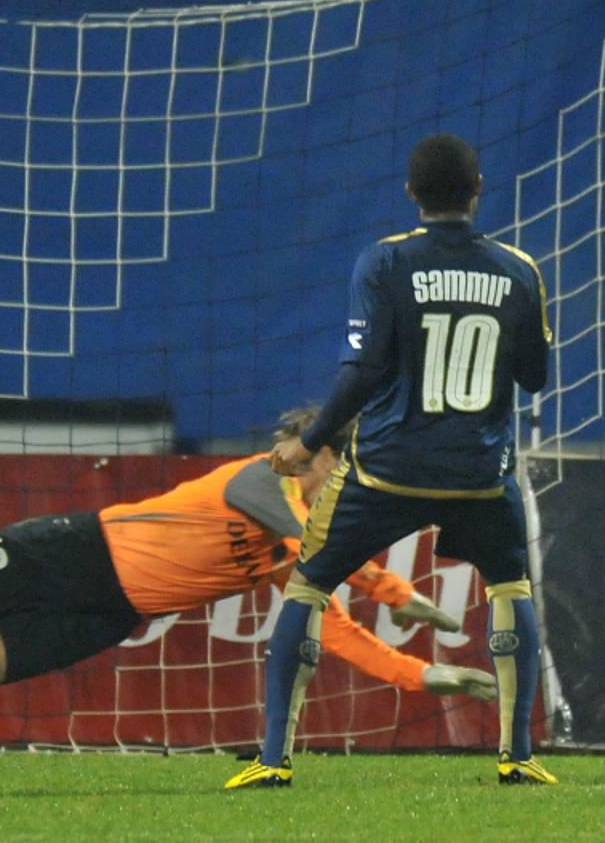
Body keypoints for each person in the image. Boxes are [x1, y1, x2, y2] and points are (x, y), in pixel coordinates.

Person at [0, 408, 495, 752]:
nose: (316, 463)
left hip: (104, 612)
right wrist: (397, 589)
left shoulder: (293, 549)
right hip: (71, 549)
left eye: (331, 457)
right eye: (316, 449)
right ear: (295, 447)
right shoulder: (255, 480)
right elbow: (317, 546)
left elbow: (332, 623)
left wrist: (426, 674)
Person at [225, 133, 556, 789]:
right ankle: (517, 755)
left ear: (411, 193)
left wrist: (312, 440)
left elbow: (363, 369)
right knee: (511, 587)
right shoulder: (519, 270)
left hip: (385, 469)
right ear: (478, 188)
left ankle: (273, 758)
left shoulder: (384, 262)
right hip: (478, 474)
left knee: (309, 585)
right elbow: (535, 377)